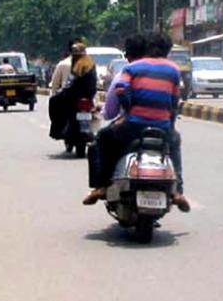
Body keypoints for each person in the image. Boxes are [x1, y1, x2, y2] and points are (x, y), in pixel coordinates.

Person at [83, 32, 189, 212]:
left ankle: (101, 186)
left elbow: (121, 90)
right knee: (175, 144)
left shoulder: (133, 68)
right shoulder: (173, 70)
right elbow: (174, 101)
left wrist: (130, 109)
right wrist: (169, 123)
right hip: (162, 127)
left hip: (133, 125)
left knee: (102, 137)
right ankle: (178, 191)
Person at [48, 42, 97, 141]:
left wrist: (62, 90)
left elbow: (71, 82)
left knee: (53, 101)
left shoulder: (78, 64)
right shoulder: (90, 63)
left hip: (74, 96)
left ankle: (57, 130)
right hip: (89, 95)